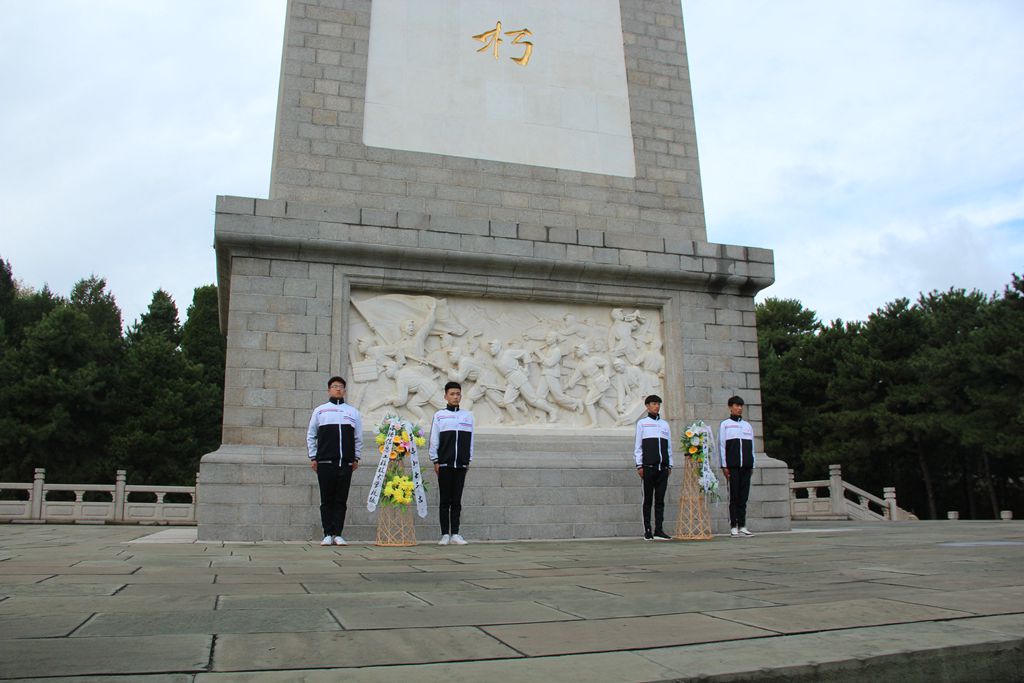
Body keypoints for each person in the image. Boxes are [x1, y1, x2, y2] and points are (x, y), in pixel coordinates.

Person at [306, 376, 362, 546]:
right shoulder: (320, 411)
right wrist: (313, 457)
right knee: (326, 499)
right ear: (329, 389)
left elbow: (358, 437)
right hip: (325, 463)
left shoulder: (352, 412)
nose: (338, 389)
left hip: (345, 463)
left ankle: (338, 533)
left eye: (341, 386)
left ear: (344, 390)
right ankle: (327, 533)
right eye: (335, 386)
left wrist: (356, 457)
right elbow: (311, 435)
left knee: (340, 500)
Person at [429, 381, 474, 545]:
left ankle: (455, 533)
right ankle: (444, 534)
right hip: (444, 464)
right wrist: (435, 459)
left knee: (457, 500)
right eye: (452, 394)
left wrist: (468, 459)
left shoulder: (467, 416)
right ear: (446, 396)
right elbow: (434, 439)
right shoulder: (440, 415)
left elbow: (471, 440)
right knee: (444, 500)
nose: (456, 397)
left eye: (458, 394)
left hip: (461, 464)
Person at [634, 394, 673, 540]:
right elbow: (638, 446)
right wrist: (639, 465)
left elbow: (668, 447)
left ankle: (659, 529)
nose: (656, 406)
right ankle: (648, 530)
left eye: (658, 404)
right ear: (647, 406)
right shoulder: (642, 423)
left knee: (660, 500)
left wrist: (669, 465)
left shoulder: (664, 424)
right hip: (648, 467)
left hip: (662, 468)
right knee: (648, 500)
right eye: (653, 403)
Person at [719, 395, 756, 537]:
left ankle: (743, 525)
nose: (739, 408)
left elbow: (751, 447)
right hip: (733, 466)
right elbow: (722, 446)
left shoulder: (747, 426)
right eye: (736, 405)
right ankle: (733, 525)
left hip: (746, 466)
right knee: (734, 496)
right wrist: (724, 465)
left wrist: (752, 464)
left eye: (741, 406)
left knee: (743, 497)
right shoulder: (725, 425)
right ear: (730, 407)